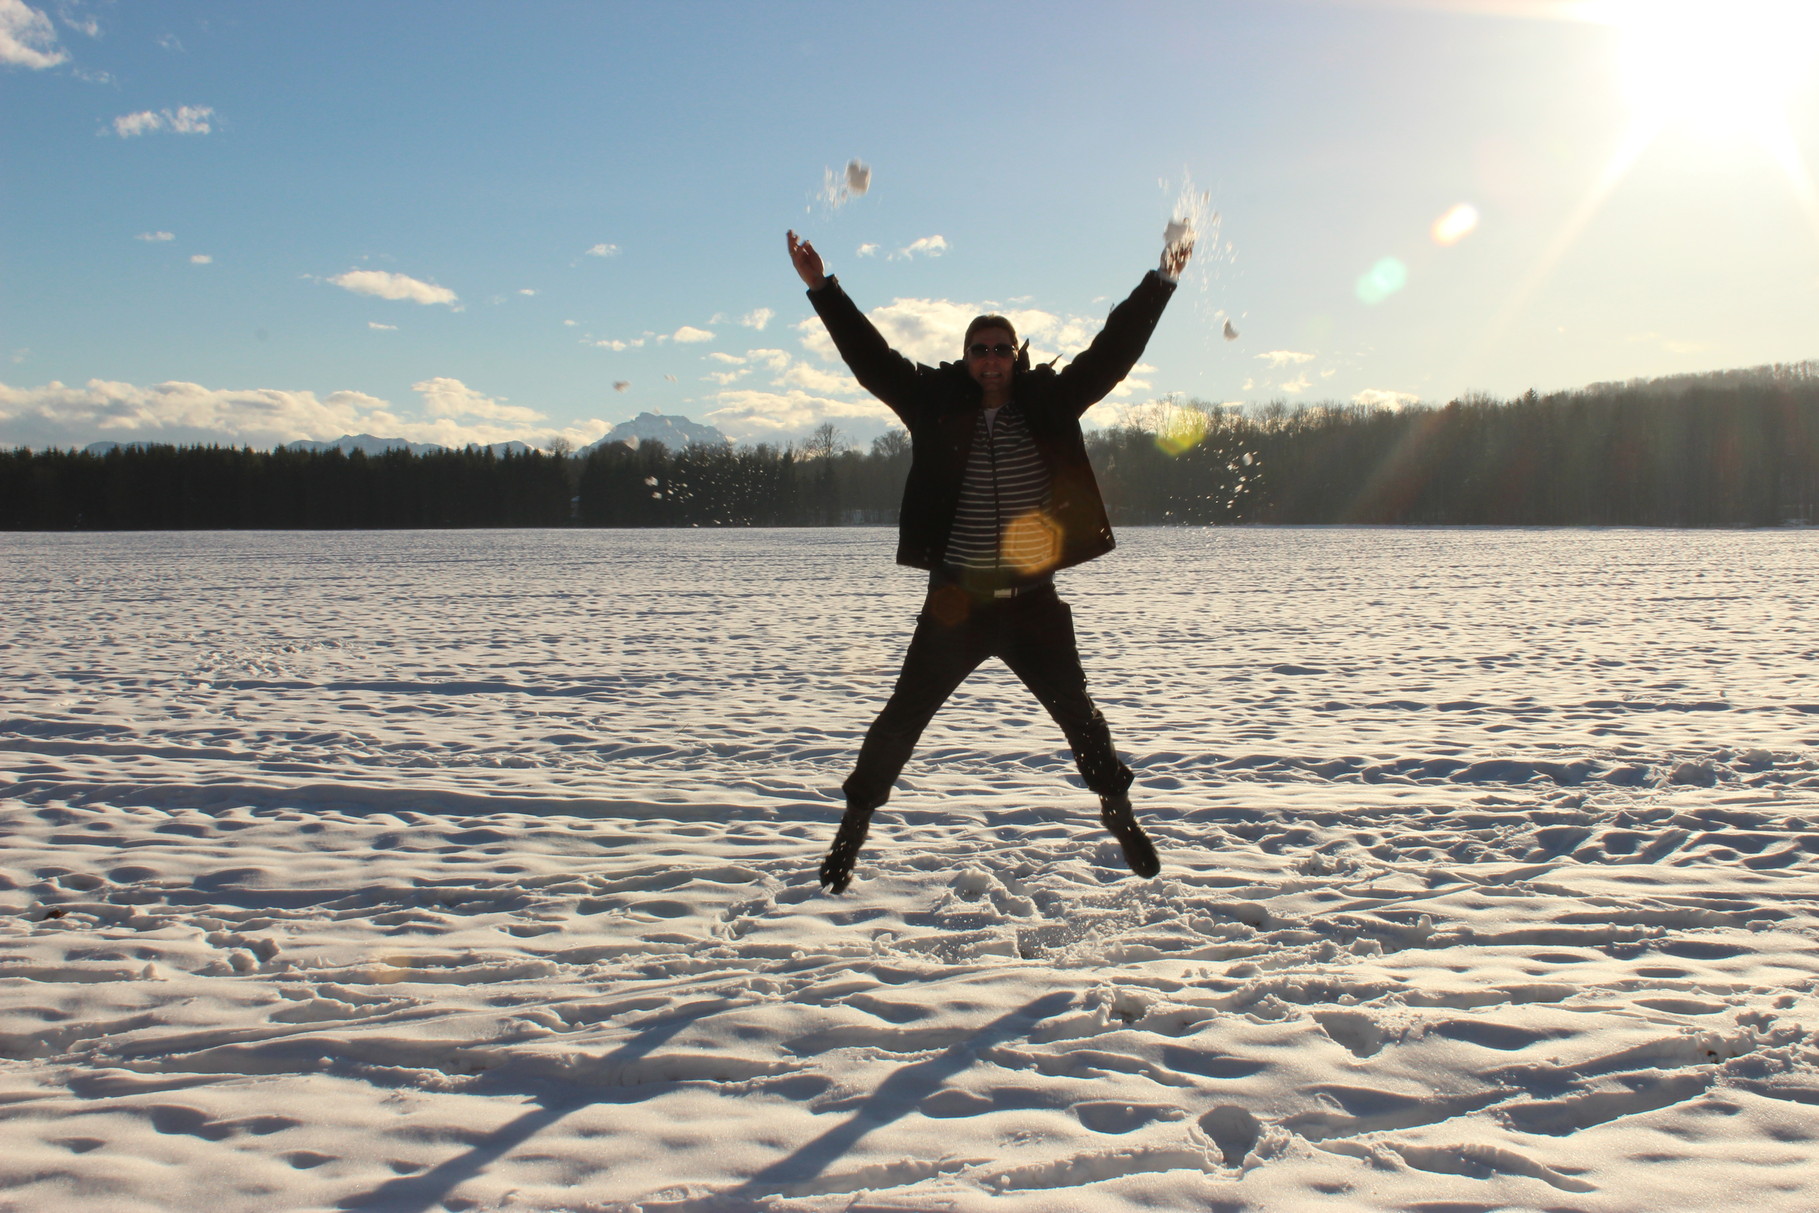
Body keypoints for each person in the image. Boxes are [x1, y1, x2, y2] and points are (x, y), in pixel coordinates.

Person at [787, 226, 1193, 894]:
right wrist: (822, 288)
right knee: (900, 717)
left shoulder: (1050, 401)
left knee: (1080, 716)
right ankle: (853, 825)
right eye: (979, 351)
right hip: (957, 605)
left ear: (1015, 354)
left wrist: (1162, 278)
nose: (990, 361)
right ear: (965, 356)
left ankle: (1118, 811)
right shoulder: (932, 402)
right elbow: (872, 360)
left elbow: (1112, 352)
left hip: (1034, 604)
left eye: (1001, 349)